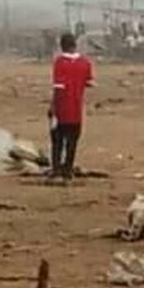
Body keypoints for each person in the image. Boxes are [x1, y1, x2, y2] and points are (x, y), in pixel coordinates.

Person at [49, 33, 95, 182]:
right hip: (76, 110)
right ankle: (68, 170)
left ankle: (56, 170)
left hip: (61, 110)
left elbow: (58, 89)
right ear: (75, 45)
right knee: (72, 142)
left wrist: (52, 108)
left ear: (62, 46)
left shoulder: (60, 63)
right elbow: (89, 82)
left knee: (57, 142)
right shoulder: (85, 63)